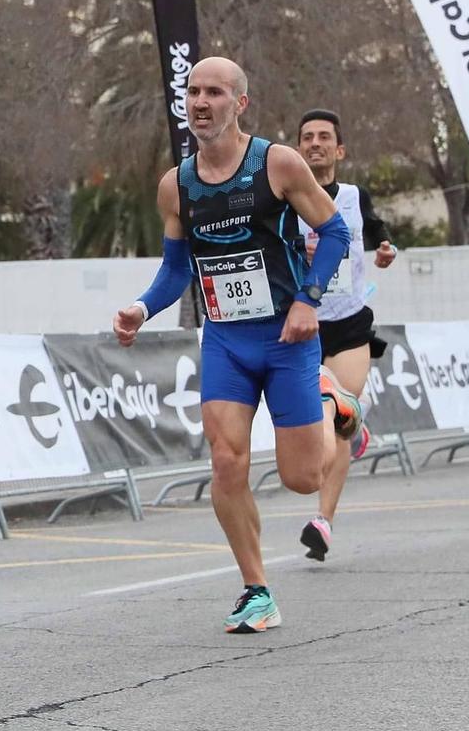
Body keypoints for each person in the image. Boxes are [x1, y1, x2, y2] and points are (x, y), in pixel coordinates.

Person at [113, 58, 364, 634]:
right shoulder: (176, 185)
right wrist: (143, 308)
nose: (201, 102)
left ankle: (334, 402)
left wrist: (308, 300)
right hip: (225, 338)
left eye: (215, 92)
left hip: (287, 338)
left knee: (304, 478)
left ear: (240, 103)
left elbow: (336, 233)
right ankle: (256, 590)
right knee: (226, 461)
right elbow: (176, 269)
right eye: (193, 91)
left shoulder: (277, 163)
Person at [291, 109, 398, 560]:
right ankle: (354, 420)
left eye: (324, 138)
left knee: (334, 419)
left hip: (349, 323)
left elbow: (374, 227)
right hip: (301, 324)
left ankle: (323, 521)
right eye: (307, 137)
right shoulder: (284, 198)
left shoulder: (354, 195)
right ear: (298, 149)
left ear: (338, 150)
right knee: (325, 422)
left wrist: (386, 246)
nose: (314, 143)